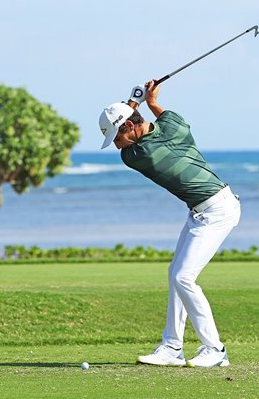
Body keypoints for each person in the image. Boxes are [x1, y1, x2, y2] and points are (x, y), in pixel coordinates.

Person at [98, 80, 241, 367]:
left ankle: (215, 349)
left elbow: (137, 133)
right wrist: (149, 102)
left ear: (129, 128)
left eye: (116, 136)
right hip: (204, 209)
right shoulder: (174, 123)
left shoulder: (139, 156)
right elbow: (161, 118)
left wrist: (134, 101)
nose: (116, 145)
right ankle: (172, 347)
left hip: (218, 211)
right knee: (175, 272)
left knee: (183, 277)